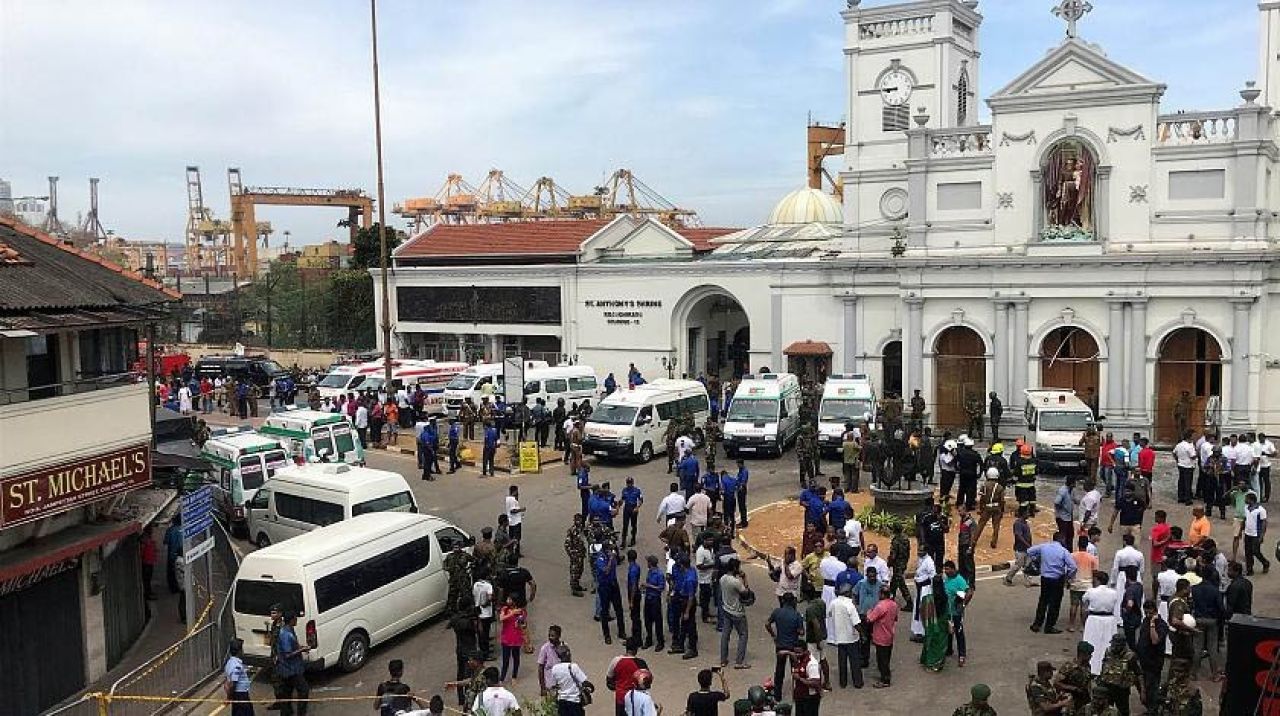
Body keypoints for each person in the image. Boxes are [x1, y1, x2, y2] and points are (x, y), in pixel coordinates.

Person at [1028, 538, 1077, 634]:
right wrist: (1068, 576)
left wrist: (1037, 559)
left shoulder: (1044, 547)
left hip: (1045, 578)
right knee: (1055, 604)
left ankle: (1037, 624)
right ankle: (1049, 626)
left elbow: (1029, 551)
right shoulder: (1063, 551)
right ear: (1062, 542)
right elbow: (1073, 567)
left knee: (1043, 601)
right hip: (1057, 579)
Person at [766, 593, 804, 700]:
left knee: (779, 670)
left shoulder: (777, 612)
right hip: (793, 646)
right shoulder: (796, 615)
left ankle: (778, 695)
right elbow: (801, 632)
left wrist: (774, 636)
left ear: (783, 601)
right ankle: (797, 694)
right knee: (796, 670)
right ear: (793, 602)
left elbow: (767, 624)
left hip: (780, 645)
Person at [1080, 571, 1119, 674]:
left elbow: (1084, 606)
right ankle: (1106, 669)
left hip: (1094, 619)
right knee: (1107, 643)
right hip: (1109, 619)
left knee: (1092, 642)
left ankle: (1092, 668)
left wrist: (1084, 622)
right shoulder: (1114, 592)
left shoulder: (1091, 591)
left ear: (1097, 580)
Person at [1189, 569, 1224, 681]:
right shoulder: (1215, 591)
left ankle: (1193, 673)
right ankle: (1215, 674)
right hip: (1212, 620)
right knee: (1212, 648)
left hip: (1199, 619)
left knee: (1197, 647)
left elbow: (1191, 604)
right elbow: (1220, 607)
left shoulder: (1194, 589)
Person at [1096, 632, 1142, 716]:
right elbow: (1104, 666)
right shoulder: (1108, 651)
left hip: (1121, 690)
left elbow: (1138, 673)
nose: (1114, 647)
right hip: (1107, 687)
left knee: (1123, 711)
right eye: (1113, 644)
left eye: (1116, 645)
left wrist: (1142, 691)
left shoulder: (1130, 656)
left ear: (1122, 645)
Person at [275, 611, 311, 716]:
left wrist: (301, 647)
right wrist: (302, 650)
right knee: (303, 690)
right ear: (291, 620)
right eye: (295, 619)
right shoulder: (285, 634)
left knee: (287, 692)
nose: (296, 620)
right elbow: (287, 654)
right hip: (290, 669)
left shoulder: (289, 630)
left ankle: (286, 712)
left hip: (289, 668)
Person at [828, 582, 862, 689]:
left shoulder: (833, 603)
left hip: (839, 637)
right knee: (855, 661)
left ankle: (843, 682)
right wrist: (863, 634)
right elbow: (856, 623)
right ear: (848, 593)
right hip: (851, 638)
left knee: (842, 661)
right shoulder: (850, 605)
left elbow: (829, 614)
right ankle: (857, 682)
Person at [719, 557, 751, 669]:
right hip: (737, 612)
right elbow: (746, 593)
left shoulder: (722, 579)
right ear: (734, 568)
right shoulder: (736, 582)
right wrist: (744, 578)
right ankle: (739, 661)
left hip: (726, 610)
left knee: (725, 635)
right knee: (743, 635)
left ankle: (723, 659)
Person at [866, 586, 899, 688]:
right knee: (886, 658)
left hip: (880, 636)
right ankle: (885, 676)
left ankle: (885, 680)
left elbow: (870, 619)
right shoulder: (894, 605)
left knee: (882, 660)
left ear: (882, 594)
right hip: (889, 635)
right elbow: (896, 618)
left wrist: (869, 612)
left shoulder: (880, 606)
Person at [549, 644, 593, 716]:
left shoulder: (555, 668)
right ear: (568, 653)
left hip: (562, 701)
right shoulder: (573, 667)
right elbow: (584, 682)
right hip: (574, 700)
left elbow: (554, 685)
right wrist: (591, 687)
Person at [918, 573, 950, 672]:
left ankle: (928, 662)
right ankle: (937, 663)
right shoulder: (945, 597)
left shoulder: (927, 599)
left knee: (930, 642)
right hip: (942, 624)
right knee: (940, 645)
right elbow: (948, 612)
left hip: (931, 625)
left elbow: (922, 611)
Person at [941, 560, 970, 668]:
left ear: (953, 569)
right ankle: (949, 650)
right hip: (947, 611)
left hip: (956, 612)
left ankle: (962, 655)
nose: (946, 571)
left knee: (959, 633)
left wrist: (962, 605)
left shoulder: (959, 580)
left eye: (948, 569)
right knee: (948, 632)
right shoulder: (947, 579)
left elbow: (968, 592)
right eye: (945, 569)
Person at [1068, 536, 1099, 633]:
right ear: (1087, 545)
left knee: (1073, 605)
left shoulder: (1072, 556)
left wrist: (1067, 581)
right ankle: (1083, 626)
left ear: (1078, 544)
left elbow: (1069, 570)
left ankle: (1071, 625)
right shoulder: (1092, 558)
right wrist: (1095, 585)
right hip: (1087, 585)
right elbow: (1095, 573)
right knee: (1084, 607)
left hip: (1075, 583)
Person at [1054, 643, 1094, 715]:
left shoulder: (1087, 666)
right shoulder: (1069, 666)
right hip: (1069, 699)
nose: (1090, 656)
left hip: (1082, 699)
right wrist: (1073, 688)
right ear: (1082, 654)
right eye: (1089, 654)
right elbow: (1057, 683)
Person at [1005, 506, 1038, 587]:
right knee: (1018, 565)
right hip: (1020, 549)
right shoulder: (1018, 524)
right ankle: (1008, 578)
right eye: (1026, 512)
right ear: (1022, 514)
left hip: (1026, 548)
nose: (1028, 514)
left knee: (1028, 565)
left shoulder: (1025, 523)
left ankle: (1028, 582)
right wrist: (1028, 545)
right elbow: (1018, 536)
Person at [642, 555, 667, 651]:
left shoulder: (659, 574)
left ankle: (660, 641)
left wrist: (649, 585)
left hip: (655, 600)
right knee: (647, 620)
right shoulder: (650, 572)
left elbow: (661, 588)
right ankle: (649, 639)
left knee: (657, 621)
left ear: (650, 563)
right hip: (648, 598)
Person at [224, 638, 254, 716]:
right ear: (239, 651)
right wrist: (229, 697)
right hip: (240, 695)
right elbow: (233, 683)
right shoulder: (236, 666)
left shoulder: (230, 662)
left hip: (239, 695)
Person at [1242, 491, 1270, 575]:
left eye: (1246, 499)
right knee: (1248, 552)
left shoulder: (1261, 510)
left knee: (1255, 551)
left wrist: (1261, 536)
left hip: (1256, 534)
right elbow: (1245, 519)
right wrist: (1242, 528)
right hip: (1247, 533)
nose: (1245, 500)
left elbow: (1264, 524)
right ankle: (1249, 569)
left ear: (1251, 500)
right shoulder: (1246, 507)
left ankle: (1265, 562)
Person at [537, 625, 564, 698]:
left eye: (553, 636)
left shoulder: (564, 647)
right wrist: (542, 688)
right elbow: (540, 668)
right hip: (550, 686)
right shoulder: (545, 648)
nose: (550, 638)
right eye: (549, 635)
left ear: (559, 636)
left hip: (562, 685)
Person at [620, 477, 643, 547]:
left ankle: (633, 539)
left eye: (630, 483)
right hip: (626, 508)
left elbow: (641, 500)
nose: (629, 484)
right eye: (628, 483)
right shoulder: (624, 490)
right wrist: (619, 503)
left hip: (634, 508)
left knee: (633, 525)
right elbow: (623, 499)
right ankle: (623, 541)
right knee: (625, 525)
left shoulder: (637, 490)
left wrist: (637, 507)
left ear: (633, 483)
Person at [506, 486, 526, 556]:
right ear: (514, 491)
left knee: (511, 536)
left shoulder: (509, 499)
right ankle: (516, 552)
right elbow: (512, 511)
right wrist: (521, 509)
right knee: (517, 537)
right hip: (515, 521)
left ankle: (512, 551)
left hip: (512, 521)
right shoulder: (512, 500)